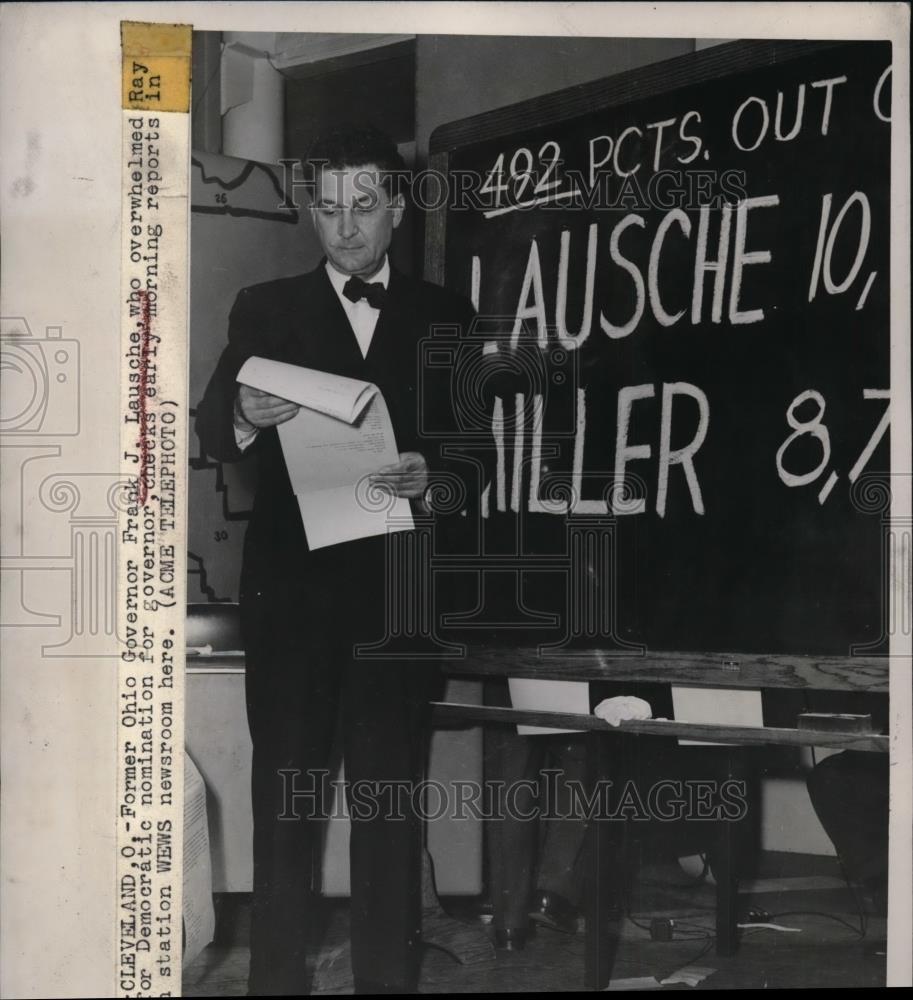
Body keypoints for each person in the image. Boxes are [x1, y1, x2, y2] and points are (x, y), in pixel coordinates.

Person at [195, 125, 476, 995]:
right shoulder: (265, 306)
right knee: (285, 802)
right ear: (309, 212)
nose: (345, 227)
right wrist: (241, 406)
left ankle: (386, 982)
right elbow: (212, 430)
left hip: (396, 598)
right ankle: (274, 984)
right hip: (292, 595)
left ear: (396, 206)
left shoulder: (444, 315)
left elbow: (476, 458)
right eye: (326, 207)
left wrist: (438, 475)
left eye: (363, 205)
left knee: (388, 804)